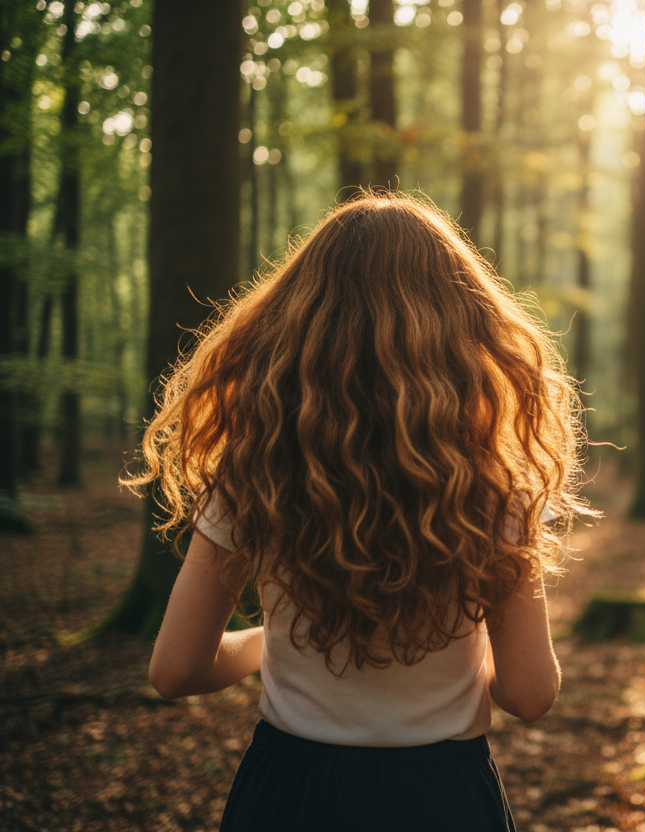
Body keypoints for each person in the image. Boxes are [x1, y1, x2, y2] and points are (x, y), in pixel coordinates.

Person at [131, 194, 586, 831]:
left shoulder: (253, 474)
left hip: (288, 794)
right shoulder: (494, 487)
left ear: (293, 327)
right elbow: (530, 694)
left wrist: (270, 645)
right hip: (444, 798)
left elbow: (175, 670)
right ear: (463, 331)